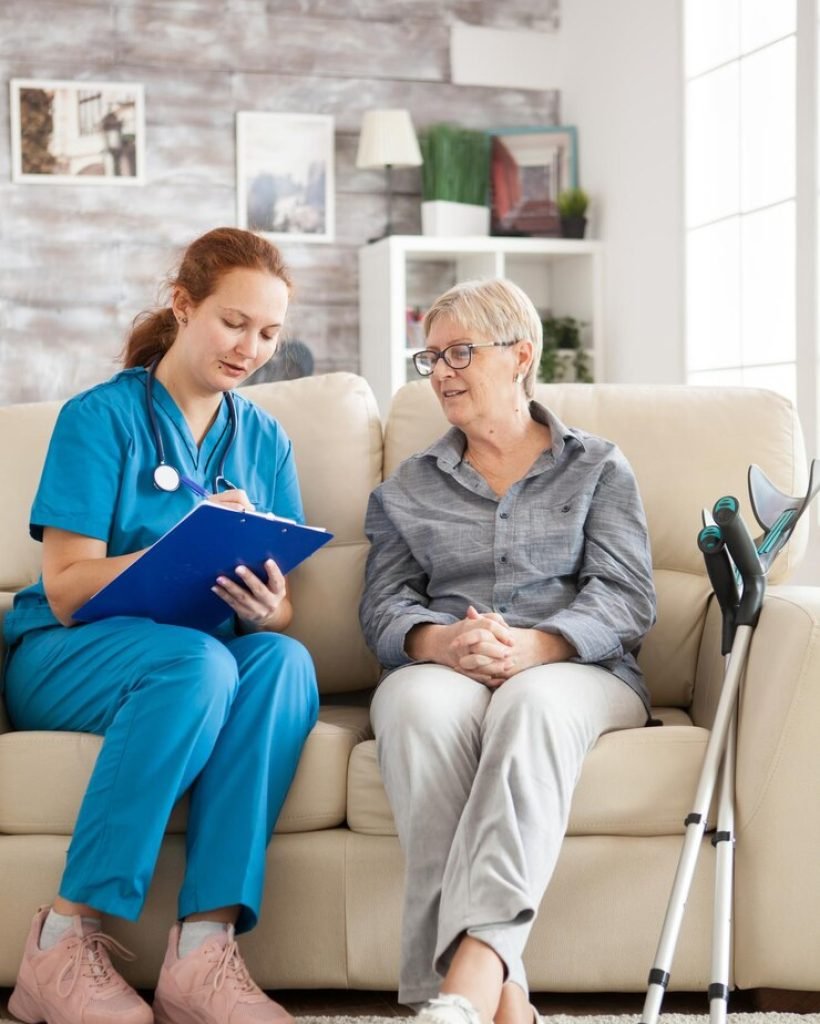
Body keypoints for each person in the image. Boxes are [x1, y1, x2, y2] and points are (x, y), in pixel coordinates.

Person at [4, 227, 319, 1024]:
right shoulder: (99, 419)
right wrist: (185, 540)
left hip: (199, 654)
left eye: (271, 334)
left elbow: (283, 606)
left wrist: (263, 605)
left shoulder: (266, 440)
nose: (251, 348)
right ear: (183, 305)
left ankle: (202, 955)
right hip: (66, 657)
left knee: (283, 662)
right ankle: (61, 942)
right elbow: (69, 589)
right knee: (198, 664)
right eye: (234, 323)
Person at [360, 278, 656, 1024]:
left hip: (577, 668)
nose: (444, 372)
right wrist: (440, 642)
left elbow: (627, 597)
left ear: (521, 354)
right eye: (431, 358)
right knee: (415, 708)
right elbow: (382, 606)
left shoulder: (597, 467)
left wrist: (542, 644)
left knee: (529, 705)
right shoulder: (405, 489)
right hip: (448, 663)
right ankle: (504, 999)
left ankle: (460, 986)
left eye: (461, 351)